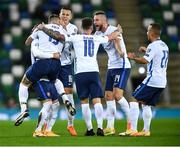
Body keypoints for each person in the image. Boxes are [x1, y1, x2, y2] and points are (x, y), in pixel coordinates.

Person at [36, 17, 121, 136]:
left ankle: (90, 129)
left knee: (84, 102)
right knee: (97, 100)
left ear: (81, 28)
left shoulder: (76, 37)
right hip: (93, 72)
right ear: (91, 28)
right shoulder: (97, 38)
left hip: (80, 73)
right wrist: (118, 31)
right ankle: (100, 127)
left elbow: (59, 37)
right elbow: (111, 37)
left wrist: (44, 28)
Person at [14, 14, 75, 126]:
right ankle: (65, 98)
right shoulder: (63, 31)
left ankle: (24, 108)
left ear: (48, 21)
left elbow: (27, 42)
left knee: (24, 84)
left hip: (42, 62)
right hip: (57, 63)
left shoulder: (41, 27)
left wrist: (35, 32)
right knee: (55, 80)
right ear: (58, 21)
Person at [125, 23, 169, 136]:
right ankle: (146, 130)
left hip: (153, 79)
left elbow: (145, 61)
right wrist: (146, 50)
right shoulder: (164, 45)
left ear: (152, 33)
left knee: (133, 99)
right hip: (162, 81)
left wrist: (133, 57)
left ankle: (133, 129)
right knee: (145, 104)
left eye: (148, 31)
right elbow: (157, 56)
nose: (147, 33)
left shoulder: (153, 46)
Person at [93, 11, 131, 136]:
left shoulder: (113, 29)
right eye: (94, 20)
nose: (95, 22)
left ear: (104, 21)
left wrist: (120, 52)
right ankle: (110, 127)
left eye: (97, 20)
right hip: (111, 66)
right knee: (108, 96)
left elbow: (116, 41)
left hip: (122, 65)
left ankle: (131, 124)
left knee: (117, 95)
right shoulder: (98, 33)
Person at [58, 6, 78, 136]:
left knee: (69, 92)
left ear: (70, 17)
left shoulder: (74, 28)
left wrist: (65, 31)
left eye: (67, 14)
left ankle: (70, 125)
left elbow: (72, 44)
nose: (65, 16)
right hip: (52, 63)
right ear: (59, 14)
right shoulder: (53, 26)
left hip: (66, 64)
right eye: (63, 14)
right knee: (52, 96)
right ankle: (45, 127)